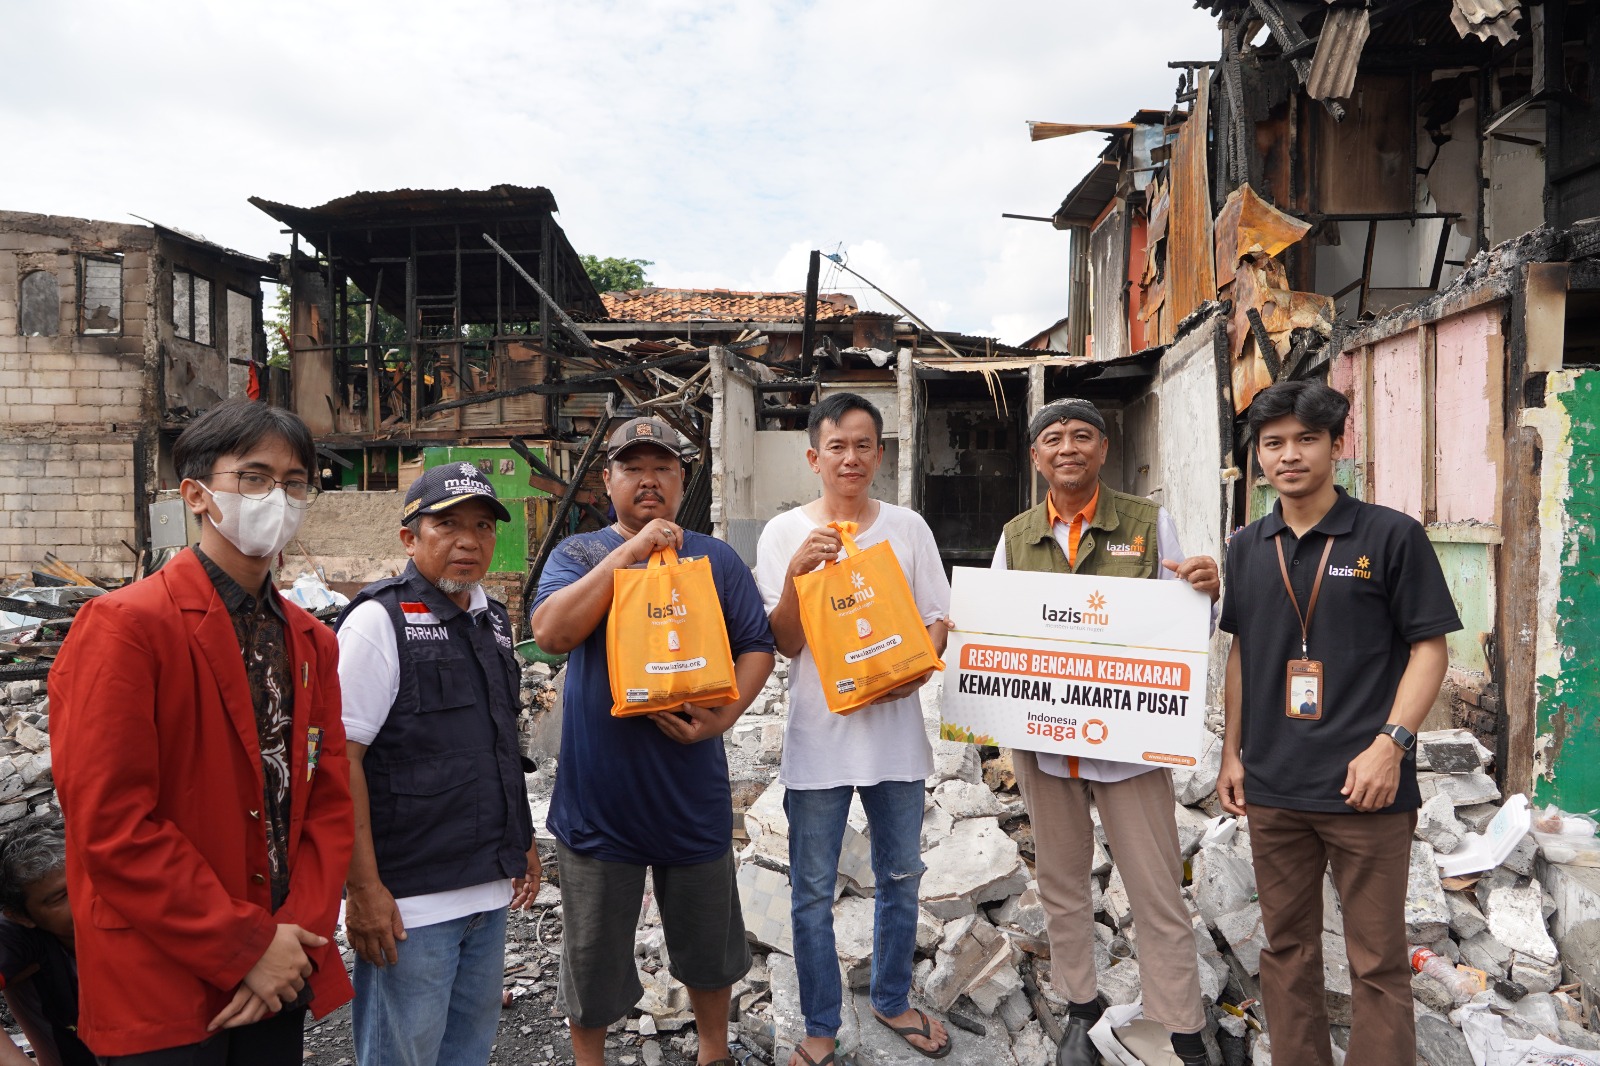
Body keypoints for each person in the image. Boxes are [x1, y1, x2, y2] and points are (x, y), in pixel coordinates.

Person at [52, 399, 353, 1062]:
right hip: (164, 977)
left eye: (294, 480)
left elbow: (325, 803)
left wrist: (292, 939)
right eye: (253, 476)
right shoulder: (127, 627)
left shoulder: (310, 642)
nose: (278, 495)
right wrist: (244, 947)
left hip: (280, 968)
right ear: (197, 495)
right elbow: (111, 821)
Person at [1217, 381, 1460, 1066]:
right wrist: (1232, 753)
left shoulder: (1389, 535)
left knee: (1377, 960)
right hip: (1273, 788)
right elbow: (1242, 651)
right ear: (1258, 455)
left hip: (1368, 790)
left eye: (1305, 440)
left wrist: (1392, 746)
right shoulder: (1246, 546)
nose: (1289, 456)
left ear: (1336, 445)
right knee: (1286, 953)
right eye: (1274, 444)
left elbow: (1430, 649)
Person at [530, 417, 775, 1066]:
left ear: (682, 481)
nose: (648, 480)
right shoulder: (578, 556)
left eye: (662, 468)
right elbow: (551, 633)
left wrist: (725, 717)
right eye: (632, 468)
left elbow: (756, 644)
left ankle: (714, 1052)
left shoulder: (714, 558)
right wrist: (628, 555)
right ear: (606, 480)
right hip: (598, 803)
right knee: (592, 956)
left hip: (689, 793)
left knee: (708, 944)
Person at [992, 398, 1218, 1066]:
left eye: (1082, 435)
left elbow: (1190, 627)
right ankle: (1080, 1007)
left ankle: (1181, 1027)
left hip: (1130, 742)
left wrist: (1205, 591)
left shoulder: (1149, 525)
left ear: (1103, 450)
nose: (1068, 447)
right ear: (1036, 458)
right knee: (1062, 883)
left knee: (1153, 885)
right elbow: (996, 633)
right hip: (1046, 742)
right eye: (1053, 438)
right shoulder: (1015, 535)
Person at [754, 393, 952, 1066]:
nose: (850, 458)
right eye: (836, 446)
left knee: (901, 876)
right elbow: (783, 642)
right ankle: (820, 1023)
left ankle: (892, 999)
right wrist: (794, 577)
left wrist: (920, 669)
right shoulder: (784, 535)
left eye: (863, 445)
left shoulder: (908, 528)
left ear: (880, 455)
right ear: (814, 456)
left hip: (896, 739)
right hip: (819, 744)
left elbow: (936, 620)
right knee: (811, 894)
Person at [335, 462, 539, 1066]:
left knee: (467, 1055)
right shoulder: (379, 622)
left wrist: (520, 839)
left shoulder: (494, 620)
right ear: (409, 538)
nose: (467, 541)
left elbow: (501, 740)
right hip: (412, 903)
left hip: (486, 890)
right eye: (446, 525)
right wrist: (363, 890)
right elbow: (342, 762)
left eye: (481, 526)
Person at [0, 818, 92, 1066]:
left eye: (87, 880)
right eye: (61, 897)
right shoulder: (18, 936)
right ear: (21, 916)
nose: (86, 899)